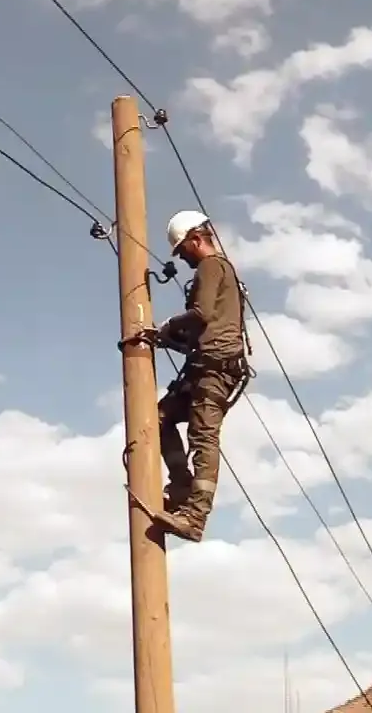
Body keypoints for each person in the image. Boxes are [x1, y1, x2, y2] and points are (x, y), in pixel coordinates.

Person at [147, 209, 251, 542]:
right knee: (157, 418)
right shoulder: (221, 271)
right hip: (204, 366)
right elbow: (201, 331)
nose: (183, 258)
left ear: (196, 239)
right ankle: (180, 488)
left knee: (203, 437)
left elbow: (201, 314)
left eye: (182, 251)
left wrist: (166, 327)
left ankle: (195, 516)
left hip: (215, 370)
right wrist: (166, 338)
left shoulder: (211, 266)